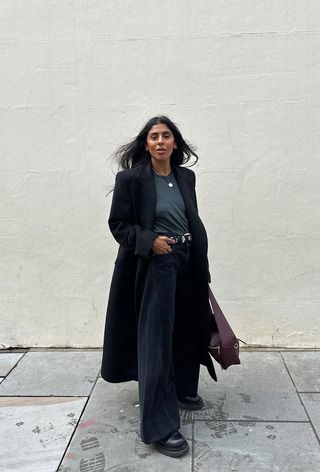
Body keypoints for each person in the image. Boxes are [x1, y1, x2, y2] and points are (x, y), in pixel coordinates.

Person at [100, 116, 216, 458]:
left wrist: (197, 257)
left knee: (185, 328)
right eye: (154, 136)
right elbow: (118, 224)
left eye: (166, 136)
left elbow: (190, 216)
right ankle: (159, 426)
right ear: (146, 144)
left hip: (188, 259)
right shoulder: (131, 179)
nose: (161, 141)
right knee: (155, 339)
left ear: (175, 143)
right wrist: (150, 242)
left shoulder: (186, 177)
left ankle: (181, 387)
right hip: (156, 263)